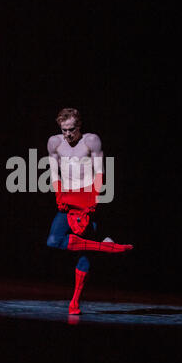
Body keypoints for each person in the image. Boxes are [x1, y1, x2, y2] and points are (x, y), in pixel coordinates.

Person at [47, 108, 133, 315]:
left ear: (80, 126)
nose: (68, 134)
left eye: (72, 129)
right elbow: (53, 170)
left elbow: (99, 171)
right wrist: (59, 194)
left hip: (86, 199)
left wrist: (94, 199)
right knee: (53, 240)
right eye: (64, 129)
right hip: (67, 199)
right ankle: (106, 247)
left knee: (84, 253)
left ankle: (74, 302)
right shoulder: (55, 142)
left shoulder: (91, 141)